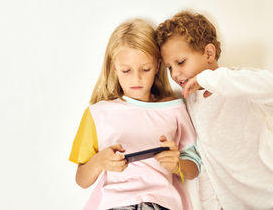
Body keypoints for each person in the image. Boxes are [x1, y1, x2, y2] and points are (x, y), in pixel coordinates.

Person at [155, 11, 273, 210]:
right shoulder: (190, 104)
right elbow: (206, 163)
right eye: (169, 67)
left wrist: (210, 80)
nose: (175, 74)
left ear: (209, 54)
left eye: (180, 62)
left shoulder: (237, 83)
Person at [69, 19, 201, 210]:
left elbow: (193, 168)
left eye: (145, 69)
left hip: (161, 204)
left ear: (157, 66)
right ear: (114, 67)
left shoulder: (174, 108)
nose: (136, 78)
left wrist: (177, 164)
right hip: (117, 204)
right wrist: (99, 161)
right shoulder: (97, 113)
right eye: (126, 70)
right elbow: (81, 180)